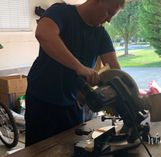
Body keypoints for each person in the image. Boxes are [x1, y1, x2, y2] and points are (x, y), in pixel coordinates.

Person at [25, 0, 125, 146]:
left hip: (73, 104)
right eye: (109, 12)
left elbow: (115, 71)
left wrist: (125, 96)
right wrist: (79, 67)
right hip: (43, 100)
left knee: (72, 147)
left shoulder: (100, 34)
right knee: (38, 150)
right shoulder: (61, 12)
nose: (109, 19)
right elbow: (43, 33)